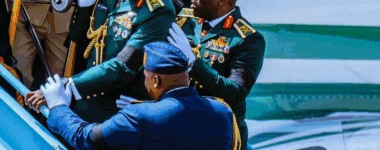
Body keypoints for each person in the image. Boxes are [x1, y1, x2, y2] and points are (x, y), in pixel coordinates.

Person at [25, 0, 176, 122]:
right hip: (82, 100)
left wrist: (66, 86)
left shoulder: (158, 9)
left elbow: (124, 66)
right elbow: (79, 36)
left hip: (112, 111)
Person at [39, 41, 238, 150]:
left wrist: (58, 106)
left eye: (145, 76)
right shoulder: (223, 111)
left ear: (155, 81)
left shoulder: (139, 115)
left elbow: (87, 138)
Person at [169, 0, 265, 146]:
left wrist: (193, 63)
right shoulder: (185, 21)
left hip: (217, 135)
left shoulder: (247, 39)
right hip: (178, 127)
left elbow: (236, 92)